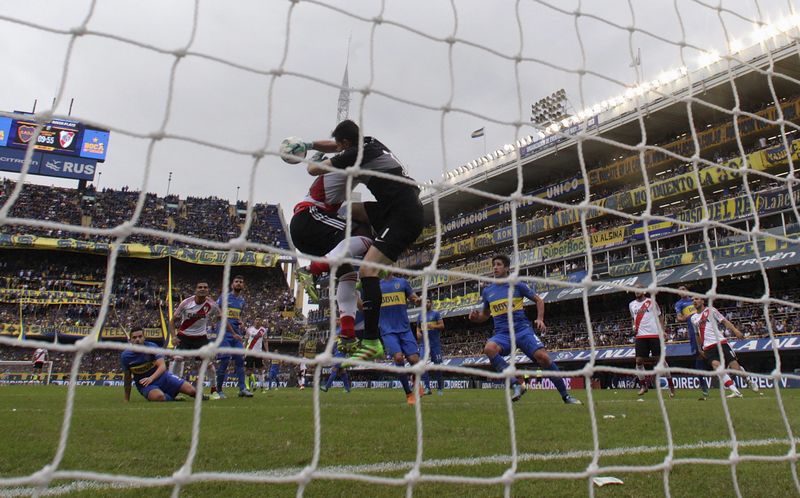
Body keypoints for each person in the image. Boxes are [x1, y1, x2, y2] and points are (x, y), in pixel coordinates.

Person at [302, 120, 424, 362]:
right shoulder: (370, 142)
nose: (338, 148)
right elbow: (334, 146)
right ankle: (358, 256)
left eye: (340, 145)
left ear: (346, 144)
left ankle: (371, 340)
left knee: (367, 270)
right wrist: (308, 143)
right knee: (350, 210)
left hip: (402, 215)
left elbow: (314, 170)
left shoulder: (356, 154)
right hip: (392, 208)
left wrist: (305, 154)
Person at [468, 254, 581, 405]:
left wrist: (540, 319)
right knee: (489, 348)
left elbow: (539, 300)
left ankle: (566, 396)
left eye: (499, 264)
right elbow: (485, 316)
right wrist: (475, 318)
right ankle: (516, 385)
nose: (495, 267)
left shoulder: (518, 285)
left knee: (544, 358)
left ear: (507, 268)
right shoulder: (488, 292)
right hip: (503, 334)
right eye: (493, 265)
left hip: (522, 330)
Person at [690, 295, 758, 398]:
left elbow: (724, 321)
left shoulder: (711, 310)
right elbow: (696, 334)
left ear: (702, 301)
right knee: (718, 368)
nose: (694, 301)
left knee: (735, 368)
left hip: (721, 343)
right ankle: (735, 391)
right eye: (692, 300)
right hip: (708, 347)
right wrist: (700, 348)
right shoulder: (693, 318)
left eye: (696, 299)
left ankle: (747, 380)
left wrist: (735, 330)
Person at [377, 272, 425, 405]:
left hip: (404, 329)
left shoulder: (402, 283)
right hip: (387, 330)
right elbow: (365, 306)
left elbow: (413, 298)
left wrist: (418, 300)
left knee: (415, 360)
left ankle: (416, 382)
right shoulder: (376, 285)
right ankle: (408, 393)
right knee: (398, 357)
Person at [122, 326, 205, 402]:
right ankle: (172, 398)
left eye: (140, 336)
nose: (137, 339)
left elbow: (162, 366)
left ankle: (204, 397)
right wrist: (126, 399)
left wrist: (151, 378)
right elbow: (127, 378)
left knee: (192, 391)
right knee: (159, 397)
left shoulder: (152, 347)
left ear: (144, 337)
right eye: (134, 337)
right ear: (130, 340)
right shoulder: (126, 356)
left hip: (163, 377)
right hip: (146, 385)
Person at [169, 281, 220, 398]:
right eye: (200, 287)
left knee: (208, 363)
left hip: (201, 337)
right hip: (184, 336)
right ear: (195, 290)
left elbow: (221, 316)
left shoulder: (212, 304)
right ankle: (173, 391)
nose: (202, 289)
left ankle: (214, 390)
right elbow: (172, 321)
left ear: (208, 291)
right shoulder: (186, 303)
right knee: (177, 360)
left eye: (205, 287)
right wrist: (173, 336)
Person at [629, 285, 676, 397]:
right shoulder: (631, 305)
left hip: (654, 334)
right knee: (639, 361)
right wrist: (633, 327)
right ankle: (643, 385)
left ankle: (671, 385)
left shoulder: (651, 302)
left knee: (660, 361)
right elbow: (633, 319)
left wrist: (662, 330)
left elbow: (660, 316)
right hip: (640, 336)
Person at [215, 275, 253, 398]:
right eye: (236, 281)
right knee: (225, 360)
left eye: (241, 282)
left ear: (243, 285)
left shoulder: (242, 301)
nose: (238, 284)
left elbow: (237, 316)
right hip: (224, 334)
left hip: (236, 334)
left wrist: (240, 322)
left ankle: (242, 389)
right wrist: (233, 333)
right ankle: (219, 390)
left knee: (240, 360)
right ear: (232, 284)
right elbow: (220, 316)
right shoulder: (224, 298)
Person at [675, 285, 709, 399]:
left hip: (706, 329)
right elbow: (679, 318)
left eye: (683, 289)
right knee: (698, 356)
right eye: (679, 291)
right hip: (694, 332)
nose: (682, 292)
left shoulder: (695, 299)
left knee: (715, 354)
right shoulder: (679, 304)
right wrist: (686, 317)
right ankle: (703, 386)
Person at [418, 299, 445, 396]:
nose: (426, 303)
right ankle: (427, 388)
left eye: (428, 302)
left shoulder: (436, 313)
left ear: (431, 303)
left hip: (435, 344)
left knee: (437, 366)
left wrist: (433, 326)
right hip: (423, 344)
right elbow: (418, 328)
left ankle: (440, 388)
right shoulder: (420, 316)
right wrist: (418, 333)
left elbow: (442, 326)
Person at [244, 319, 268, 392]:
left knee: (260, 370)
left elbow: (265, 341)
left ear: (261, 322)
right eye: (256, 320)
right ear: (254, 321)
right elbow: (246, 340)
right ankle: (247, 388)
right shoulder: (249, 329)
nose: (257, 321)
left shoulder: (263, 330)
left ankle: (262, 387)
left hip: (259, 352)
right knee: (248, 370)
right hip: (250, 352)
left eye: (259, 320)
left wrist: (267, 352)